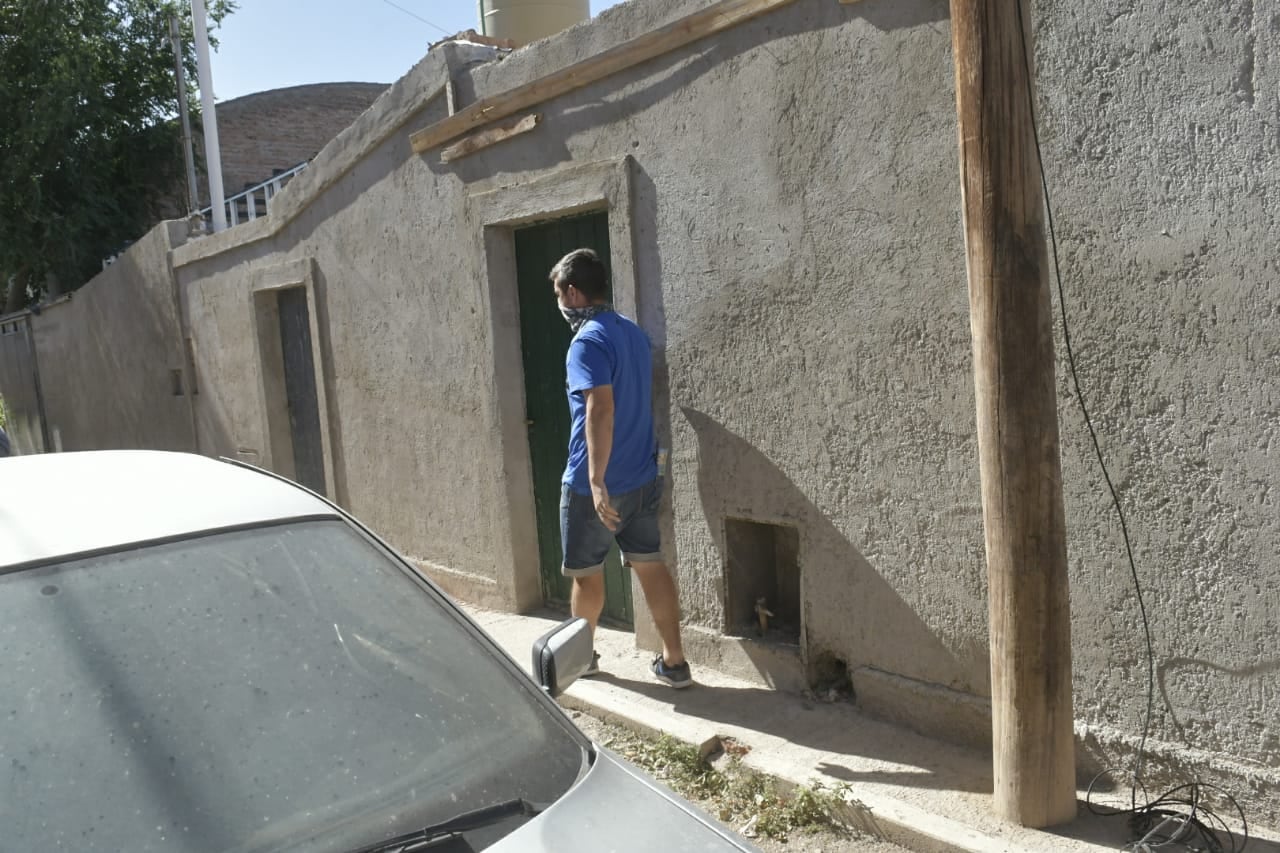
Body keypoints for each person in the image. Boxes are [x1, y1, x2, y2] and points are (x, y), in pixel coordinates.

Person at [551, 248, 691, 688]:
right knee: (650, 565)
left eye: (558, 294)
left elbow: (600, 409)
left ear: (572, 293)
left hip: (599, 486)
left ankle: (582, 659)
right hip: (643, 476)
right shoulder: (631, 333)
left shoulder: (587, 341)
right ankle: (675, 662)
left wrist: (594, 481)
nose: (559, 302)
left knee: (586, 577)